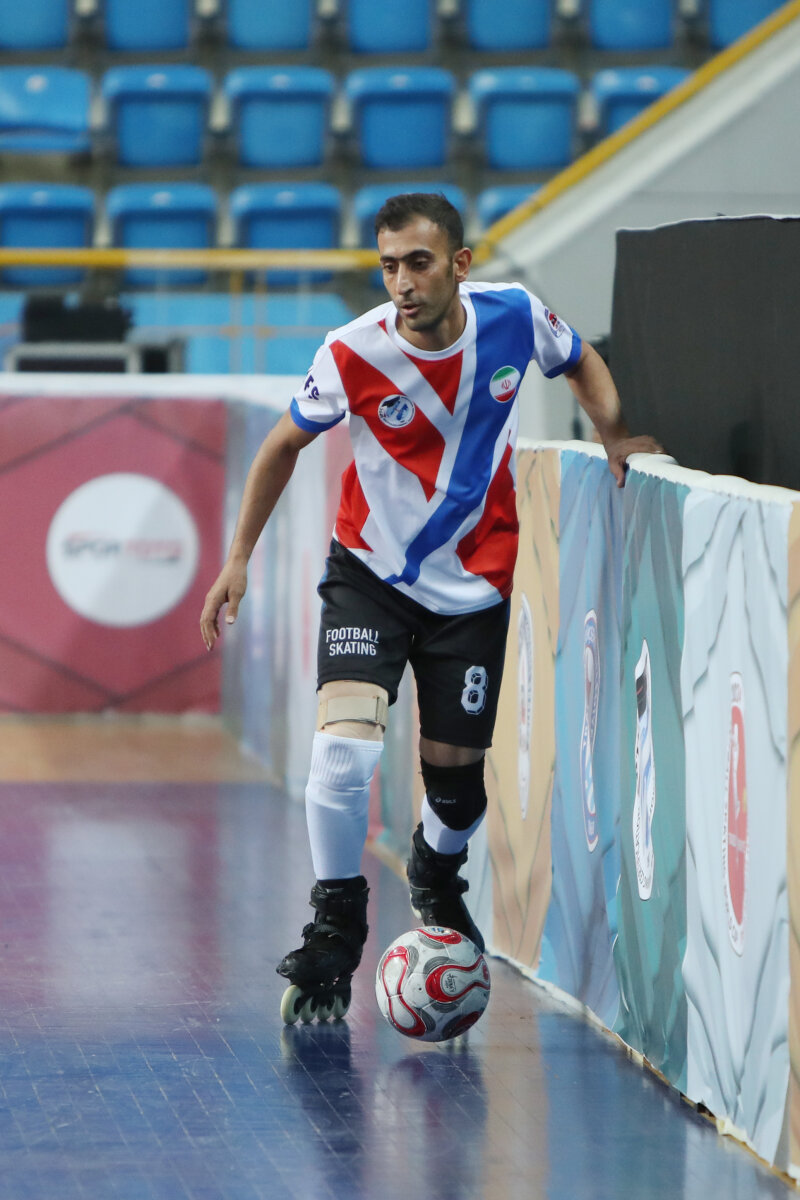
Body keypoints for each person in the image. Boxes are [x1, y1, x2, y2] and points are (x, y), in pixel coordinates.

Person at [200, 192, 662, 1024]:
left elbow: (579, 357)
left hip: (475, 589)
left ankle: (436, 874)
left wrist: (615, 431)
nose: (402, 283)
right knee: (344, 753)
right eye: (388, 266)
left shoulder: (514, 316)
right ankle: (334, 927)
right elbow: (281, 446)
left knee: (455, 791)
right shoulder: (352, 350)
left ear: (459, 263)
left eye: (418, 263)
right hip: (369, 575)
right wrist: (238, 558)